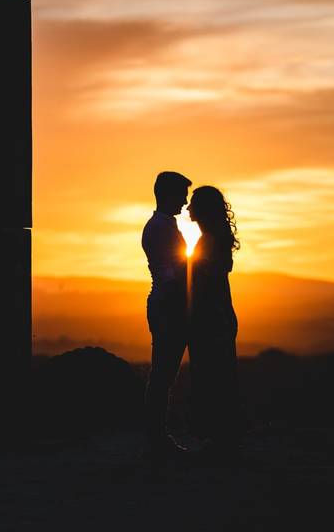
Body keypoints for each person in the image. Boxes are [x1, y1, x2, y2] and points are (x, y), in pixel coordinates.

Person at [186, 185, 242, 459]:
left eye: (193, 203)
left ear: (204, 209)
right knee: (219, 375)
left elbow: (205, 282)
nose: (188, 208)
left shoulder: (209, 241)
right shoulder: (214, 238)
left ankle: (220, 440)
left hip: (211, 317)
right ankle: (222, 438)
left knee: (212, 376)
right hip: (217, 315)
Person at [141, 170, 191, 465]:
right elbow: (170, 273)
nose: (185, 202)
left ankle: (157, 436)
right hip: (166, 306)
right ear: (167, 195)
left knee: (164, 372)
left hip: (166, 304)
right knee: (163, 373)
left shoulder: (163, 225)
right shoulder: (159, 228)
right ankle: (157, 438)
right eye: (181, 196)